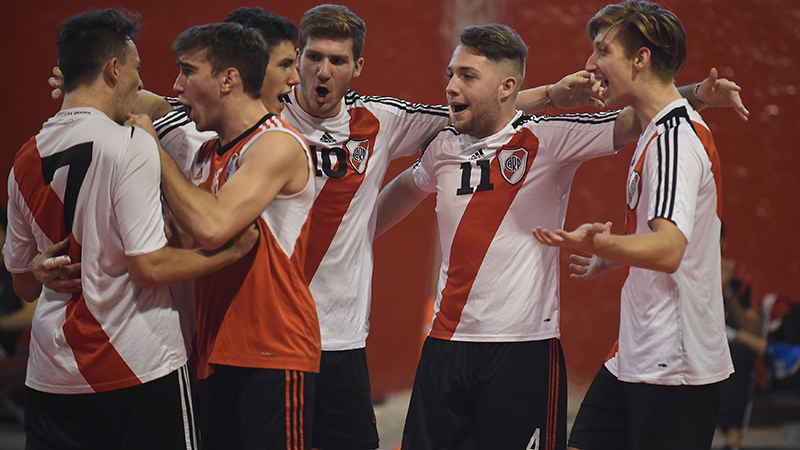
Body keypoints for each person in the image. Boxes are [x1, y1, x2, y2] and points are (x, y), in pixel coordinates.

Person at [4, 9, 257, 450]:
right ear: (113, 69)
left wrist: (42, 269)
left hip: (52, 373)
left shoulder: (23, 159)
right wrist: (227, 255)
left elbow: (23, 285)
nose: (141, 85)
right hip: (136, 361)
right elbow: (148, 266)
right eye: (137, 71)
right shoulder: (132, 142)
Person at [532, 2, 734, 449]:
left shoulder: (675, 140)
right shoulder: (655, 131)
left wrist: (603, 242)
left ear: (640, 59)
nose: (591, 65)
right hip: (637, 353)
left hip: (674, 365)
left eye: (603, 50)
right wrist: (610, 254)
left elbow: (668, 250)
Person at [127, 22, 320, 450]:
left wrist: (153, 149)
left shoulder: (277, 145)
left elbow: (212, 228)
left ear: (229, 79)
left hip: (272, 351)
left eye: (188, 72)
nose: (177, 86)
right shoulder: (206, 155)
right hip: (212, 353)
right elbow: (181, 247)